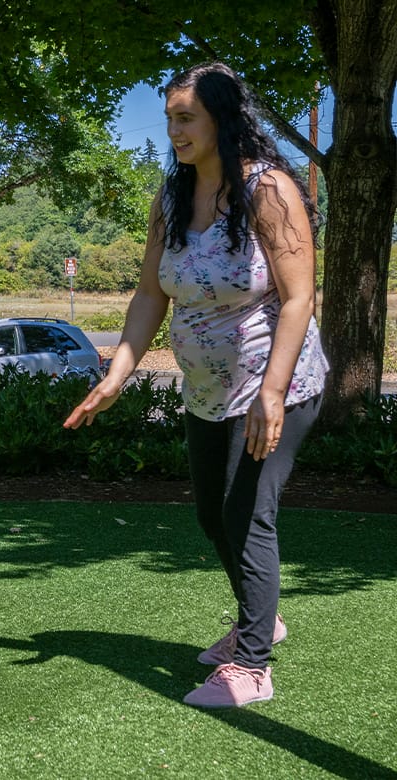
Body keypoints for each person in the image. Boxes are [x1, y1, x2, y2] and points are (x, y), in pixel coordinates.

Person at [64, 62, 328, 708]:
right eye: (170, 121)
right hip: (207, 390)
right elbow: (151, 293)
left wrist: (272, 390)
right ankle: (258, 615)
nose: (176, 132)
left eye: (187, 119)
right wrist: (119, 371)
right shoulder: (174, 196)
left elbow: (298, 300)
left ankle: (254, 665)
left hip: (277, 386)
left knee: (247, 513)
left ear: (223, 120)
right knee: (213, 512)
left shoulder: (268, 192)